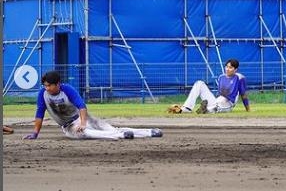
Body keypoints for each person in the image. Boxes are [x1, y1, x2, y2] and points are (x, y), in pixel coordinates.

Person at [23, 70, 163, 140]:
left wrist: (83, 122)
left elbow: (81, 106)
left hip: (82, 117)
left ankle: (150, 132)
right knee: (85, 133)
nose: (46, 88)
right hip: (68, 126)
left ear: (57, 84)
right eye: (45, 85)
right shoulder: (43, 94)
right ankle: (120, 136)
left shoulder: (67, 89)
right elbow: (39, 113)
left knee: (109, 127)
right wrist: (35, 133)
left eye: (49, 86)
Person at [168, 58, 250, 114]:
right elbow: (220, 93)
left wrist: (248, 109)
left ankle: (206, 109)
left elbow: (243, 94)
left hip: (228, 103)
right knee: (199, 83)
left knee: (217, 105)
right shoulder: (221, 77)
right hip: (217, 100)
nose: (227, 69)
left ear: (235, 69)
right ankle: (187, 108)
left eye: (230, 67)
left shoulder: (239, 78)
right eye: (227, 67)